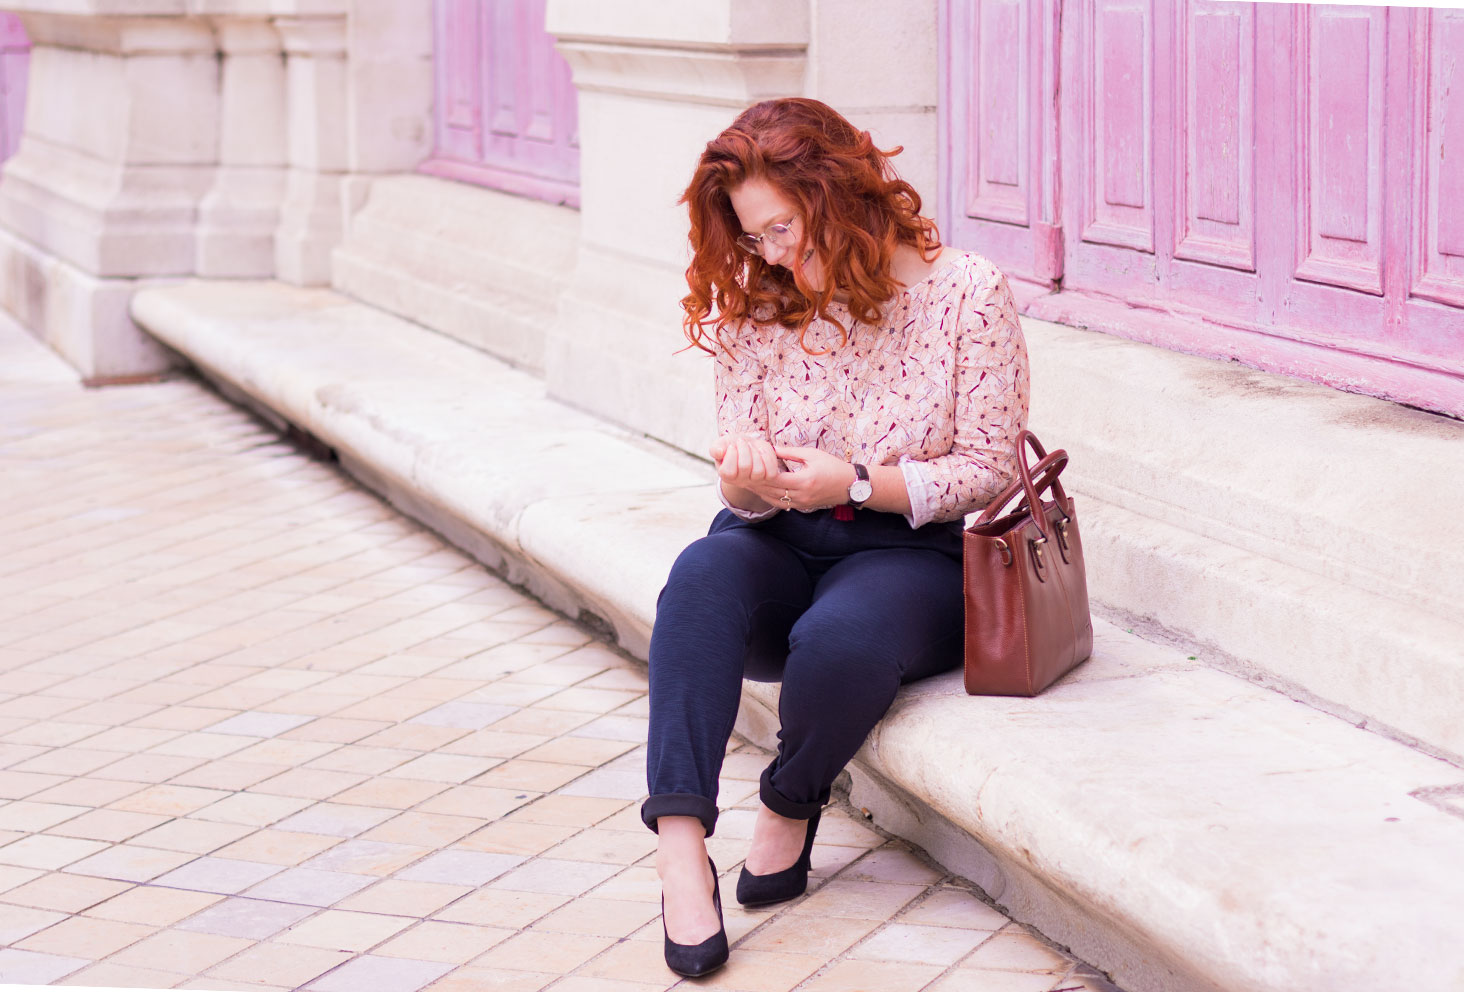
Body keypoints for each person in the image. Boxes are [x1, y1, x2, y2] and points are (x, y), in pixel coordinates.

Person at [644, 97, 1030, 977]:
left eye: (784, 228)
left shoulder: (966, 291)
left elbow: (990, 466)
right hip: (780, 538)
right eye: (754, 238)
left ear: (837, 192)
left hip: (908, 549)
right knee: (700, 574)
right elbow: (742, 491)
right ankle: (679, 853)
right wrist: (744, 478)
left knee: (840, 643)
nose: (771, 254)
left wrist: (853, 483)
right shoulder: (758, 306)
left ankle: (789, 800)